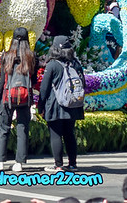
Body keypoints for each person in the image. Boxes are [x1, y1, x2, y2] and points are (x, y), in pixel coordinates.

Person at [0, 26, 36, 172]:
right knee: (22, 128)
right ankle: (19, 163)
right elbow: (33, 79)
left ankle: (0, 162)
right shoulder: (32, 56)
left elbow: (2, 80)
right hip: (24, 97)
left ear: (13, 39)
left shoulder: (6, 56)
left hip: (7, 96)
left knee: (4, 128)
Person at [38, 35, 85, 172]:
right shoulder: (76, 63)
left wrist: (40, 106)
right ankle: (72, 164)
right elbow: (83, 84)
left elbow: (44, 88)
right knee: (69, 133)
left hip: (56, 105)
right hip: (73, 104)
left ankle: (58, 165)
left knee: (56, 134)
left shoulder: (52, 64)